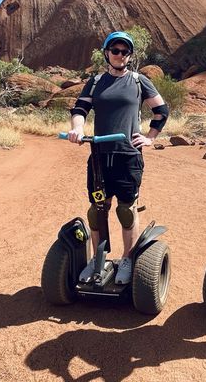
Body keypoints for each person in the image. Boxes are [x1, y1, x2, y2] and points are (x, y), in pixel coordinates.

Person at [68, 30, 169, 284]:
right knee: (97, 209)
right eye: (116, 50)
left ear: (129, 56)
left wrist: (150, 137)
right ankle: (97, 260)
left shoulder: (138, 81)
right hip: (100, 154)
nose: (120, 55)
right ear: (107, 53)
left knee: (126, 210)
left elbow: (161, 110)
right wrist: (78, 128)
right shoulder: (95, 81)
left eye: (125, 52)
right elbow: (80, 108)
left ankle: (127, 259)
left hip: (127, 155)